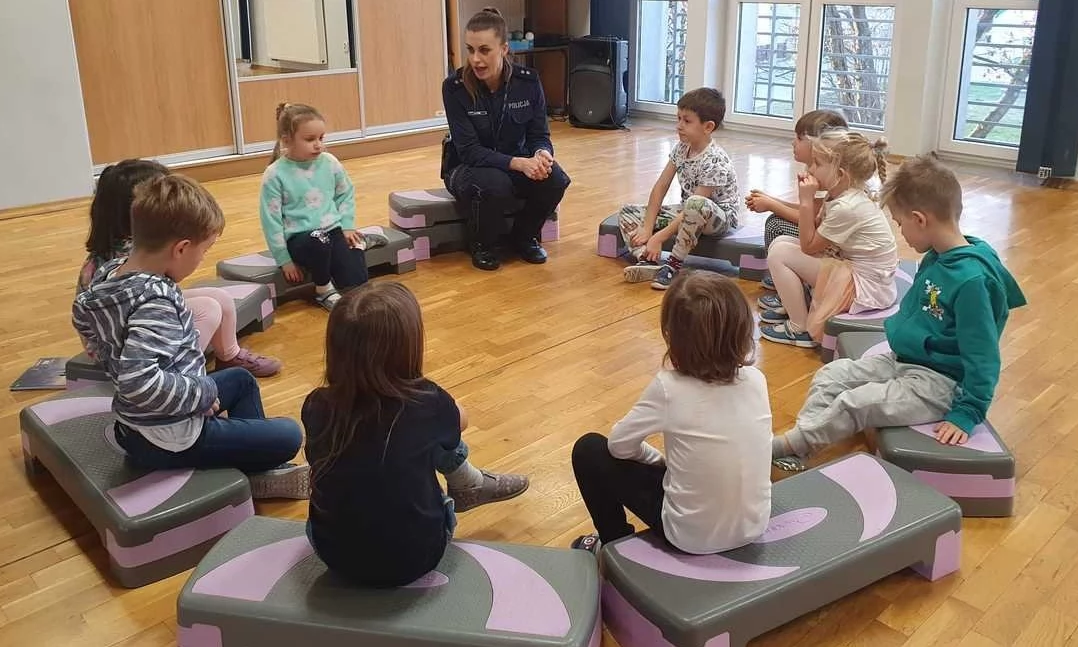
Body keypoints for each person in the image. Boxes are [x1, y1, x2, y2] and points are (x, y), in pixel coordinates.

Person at [772, 155, 1027, 472]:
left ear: (920, 219)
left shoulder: (971, 280)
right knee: (831, 375)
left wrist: (968, 412)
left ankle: (786, 445)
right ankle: (802, 443)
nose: (900, 233)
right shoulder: (938, 256)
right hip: (903, 360)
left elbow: (983, 355)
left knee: (856, 403)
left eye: (899, 223)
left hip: (938, 385)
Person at [73, 175, 308, 499]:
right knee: (289, 435)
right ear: (181, 248)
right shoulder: (156, 301)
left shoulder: (109, 274)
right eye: (204, 250)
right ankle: (258, 475)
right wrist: (199, 393)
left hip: (135, 424)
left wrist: (106, 352)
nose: (202, 259)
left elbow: (80, 310)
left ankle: (257, 470)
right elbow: (137, 383)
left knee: (240, 379)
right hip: (168, 436)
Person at [302, 281, 531, 587]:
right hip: (416, 557)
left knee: (404, 444)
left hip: (333, 553)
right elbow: (461, 420)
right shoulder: (428, 401)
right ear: (407, 346)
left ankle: (470, 484)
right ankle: (469, 484)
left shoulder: (316, 404)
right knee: (437, 438)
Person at [570, 270, 772, 553]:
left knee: (589, 449)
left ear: (671, 336)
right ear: (743, 330)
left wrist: (655, 459)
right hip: (754, 525)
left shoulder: (668, 387)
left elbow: (618, 446)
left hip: (690, 537)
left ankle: (614, 543)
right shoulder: (756, 380)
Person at [78, 159, 281, 377]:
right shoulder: (131, 256)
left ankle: (229, 355)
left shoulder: (136, 249)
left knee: (220, 298)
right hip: (123, 345)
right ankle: (181, 373)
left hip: (134, 315)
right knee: (208, 310)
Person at [442, 7, 571, 271]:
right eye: (470, 50)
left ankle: (524, 237)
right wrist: (520, 164)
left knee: (556, 179)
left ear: (504, 48)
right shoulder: (454, 87)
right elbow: (469, 152)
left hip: (514, 164)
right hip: (466, 169)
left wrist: (542, 155)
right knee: (495, 182)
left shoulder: (529, 82)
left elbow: (539, 135)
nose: (475, 59)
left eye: (484, 50)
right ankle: (482, 244)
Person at [759, 129, 898, 349]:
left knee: (779, 254)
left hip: (866, 288)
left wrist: (806, 201)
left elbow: (808, 244)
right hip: (854, 271)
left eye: (817, 164)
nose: (810, 169)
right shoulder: (840, 195)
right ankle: (798, 305)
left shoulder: (848, 206)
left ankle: (799, 327)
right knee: (781, 243)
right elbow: (813, 233)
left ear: (841, 174)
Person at [619, 88, 743, 291]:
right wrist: (647, 228)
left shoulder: (715, 160)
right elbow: (661, 186)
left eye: (687, 121)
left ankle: (673, 265)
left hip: (717, 219)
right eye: (678, 119)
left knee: (695, 203)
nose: (679, 126)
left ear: (708, 127)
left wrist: (659, 237)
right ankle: (646, 258)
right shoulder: (681, 148)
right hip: (689, 210)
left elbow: (697, 203)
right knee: (628, 212)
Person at [259, 103, 377, 311]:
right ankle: (323, 290)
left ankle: (361, 242)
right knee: (319, 240)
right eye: (310, 139)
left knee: (356, 283)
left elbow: (345, 193)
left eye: (321, 138)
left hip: (333, 230)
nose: (318, 145)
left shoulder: (329, 162)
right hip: (302, 239)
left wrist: (347, 226)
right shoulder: (275, 174)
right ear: (287, 140)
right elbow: (271, 221)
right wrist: (283, 259)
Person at [745, 109, 848, 290]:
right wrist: (771, 200)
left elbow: (812, 218)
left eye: (800, 138)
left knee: (776, 224)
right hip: (828, 242)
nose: (793, 143)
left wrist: (772, 205)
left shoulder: (828, 177)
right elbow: (811, 208)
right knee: (775, 220)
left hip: (835, 254)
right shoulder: (819, 171)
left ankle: (793, 282)